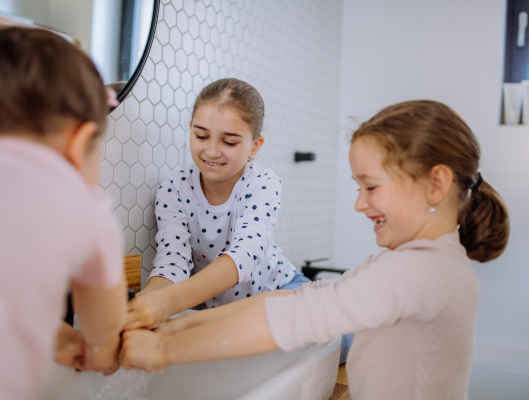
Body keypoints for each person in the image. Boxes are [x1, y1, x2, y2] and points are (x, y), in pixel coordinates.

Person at [119, 100, 510, 400]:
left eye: (370, 187)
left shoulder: (420, 271)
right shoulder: (416, 263)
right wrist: (187, 322)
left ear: (436, 185)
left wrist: (164, 351)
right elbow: (307, 297)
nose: (359, 203)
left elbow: (298, 317)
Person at [0, 27, 127, 400]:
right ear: (81, 141)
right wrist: (98, 349)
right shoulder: (86, 208)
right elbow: (105, 323)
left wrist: (56, 334)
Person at [123, 78, 309, 331]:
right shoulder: (173, 189)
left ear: (255, 146)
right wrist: (148, 302)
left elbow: (245, 254)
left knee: (332, 341)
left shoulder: (262, 183)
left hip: (280, 292)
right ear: (190, 129)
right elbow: (171, 261)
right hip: (214, 313)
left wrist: (168, 302)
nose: (211, 151)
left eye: (229, 142)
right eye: (201, 135)